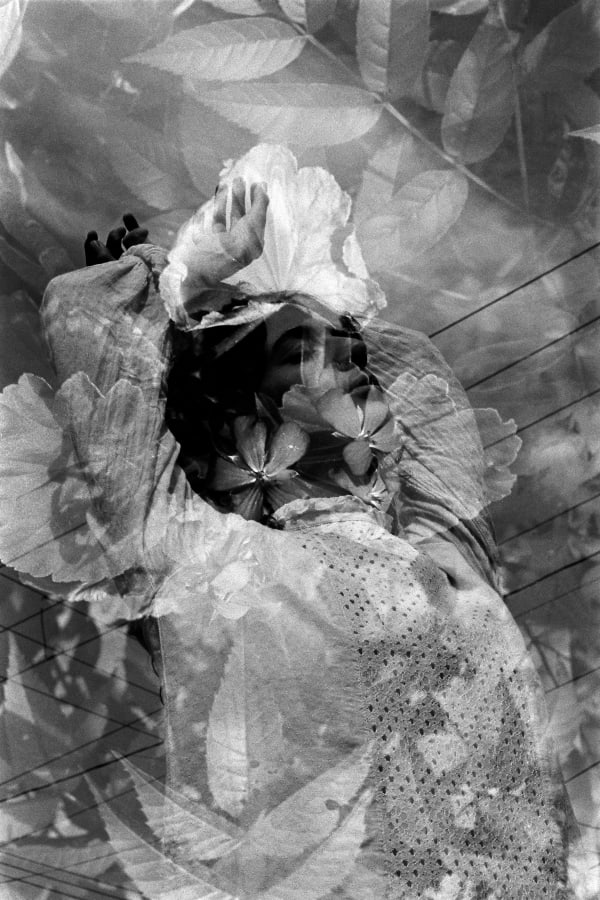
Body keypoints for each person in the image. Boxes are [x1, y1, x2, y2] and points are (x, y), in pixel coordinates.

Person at [0, 145, 578, 897]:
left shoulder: (446, 552)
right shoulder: (220, 565)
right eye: (304, 355)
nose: (351, 360)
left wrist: (296, 284)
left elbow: (417, 376)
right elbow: (96, 346)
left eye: (350, 350)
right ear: (248, 425)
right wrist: (184, 287)